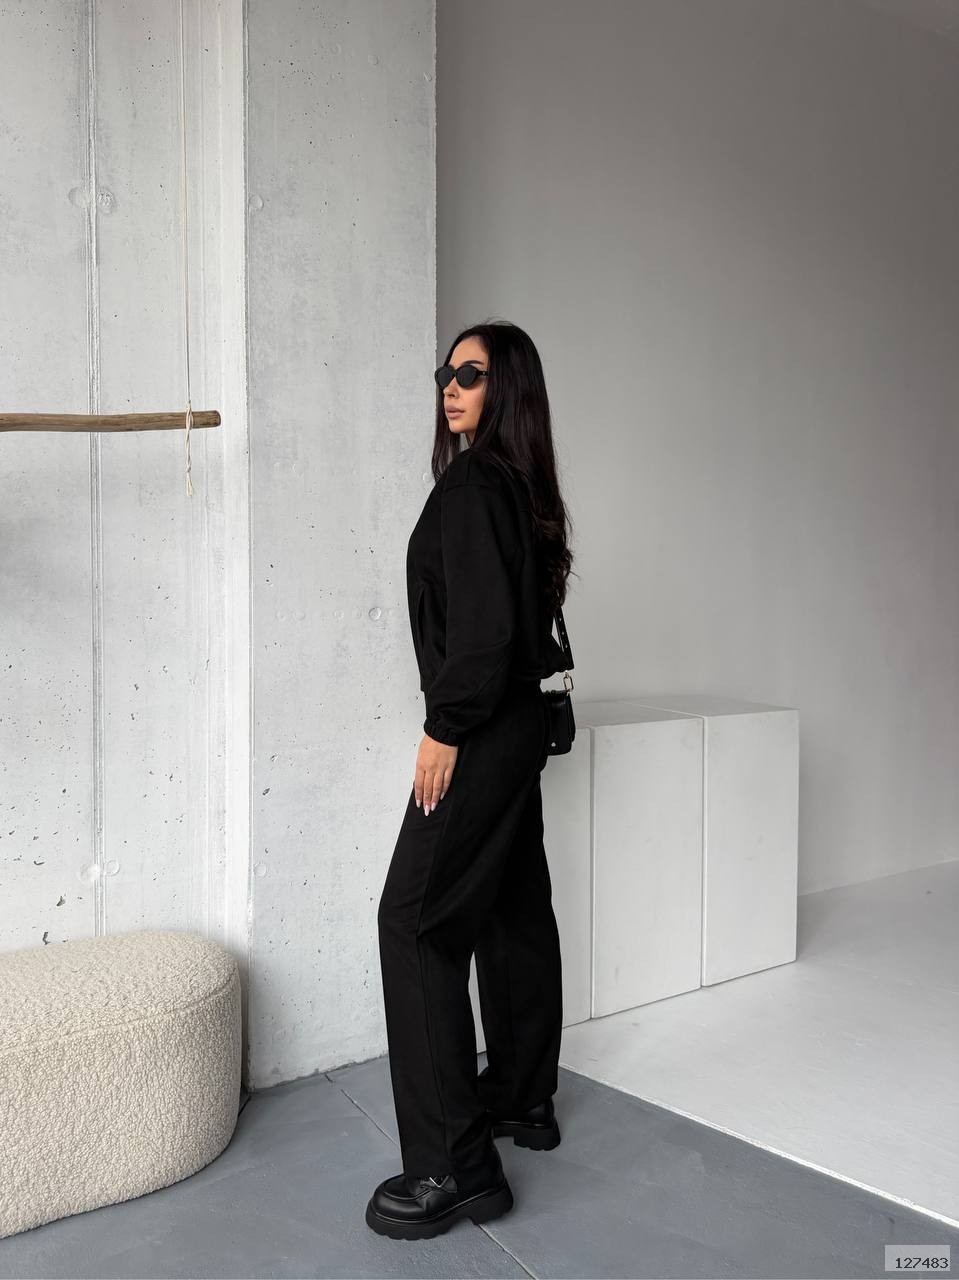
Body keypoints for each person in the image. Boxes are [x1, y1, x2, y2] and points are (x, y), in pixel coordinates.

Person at [365, 321, 576, 1240]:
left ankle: (451, 1168)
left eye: (471, 373)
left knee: (414, 923)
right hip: (519, 727)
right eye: (445, 372)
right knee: (511, 906)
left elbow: (484, 635)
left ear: (507, 388)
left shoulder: (470, 487)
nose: (449, 386)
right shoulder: (520, 488)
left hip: (481, 729)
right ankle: (521, 1097)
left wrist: (441, 730)